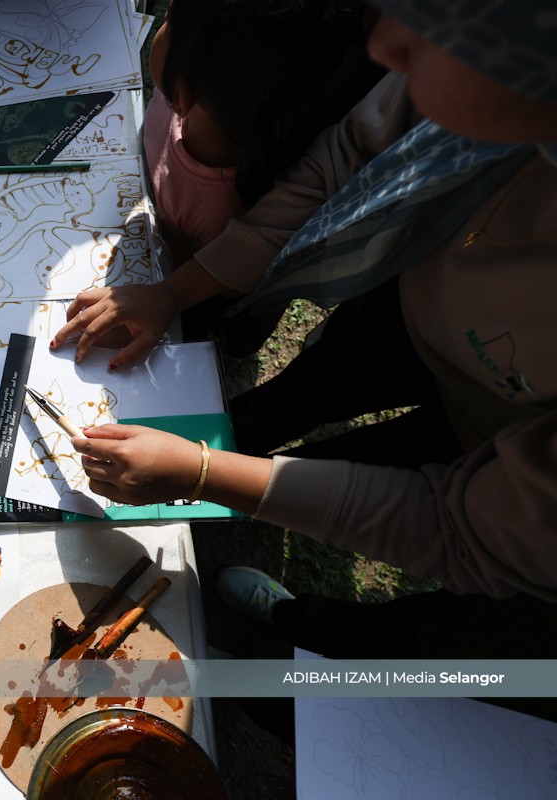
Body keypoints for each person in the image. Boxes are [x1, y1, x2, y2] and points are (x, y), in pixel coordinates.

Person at [50, 0, 557, 669]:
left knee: (387, 477)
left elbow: (457, 527)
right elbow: (347, 156)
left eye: (444, 32)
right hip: (413, 316)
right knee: (296, 399)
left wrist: (203, 472)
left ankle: (286, 637)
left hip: (493, 434)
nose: (383, 45)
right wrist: (174, 292)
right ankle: (241, 458)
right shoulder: (503, 84)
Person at [141, 0, 382, 353]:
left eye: (170, 17)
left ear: (184, 91)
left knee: (210, 340)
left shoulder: (224, 212)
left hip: (198, 302)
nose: (164, 18)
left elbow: (197, 277)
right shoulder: (212, 100)